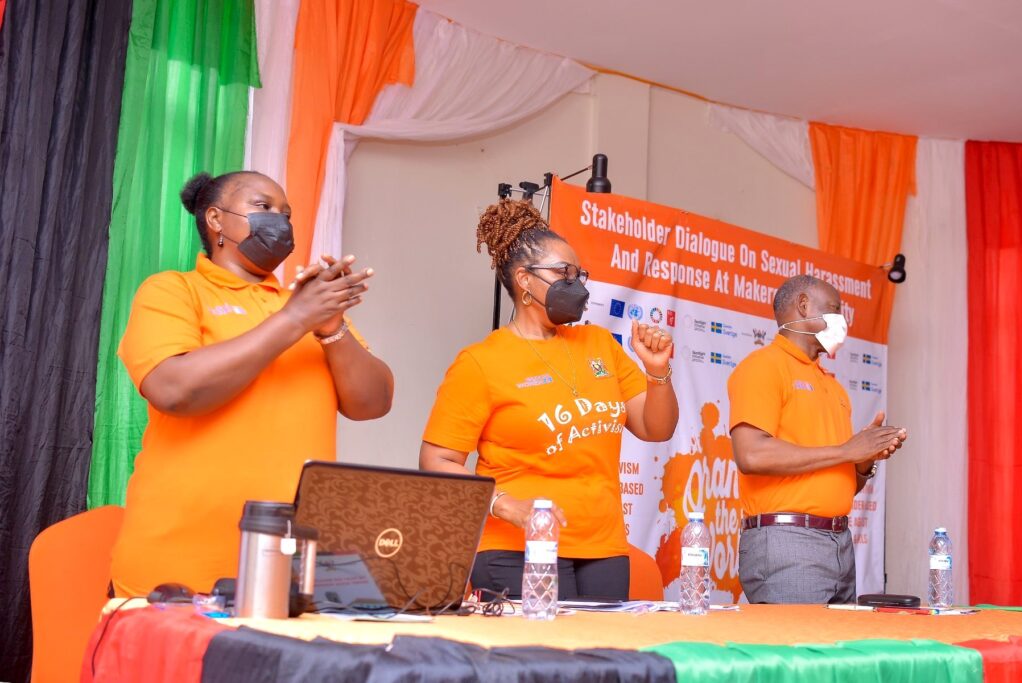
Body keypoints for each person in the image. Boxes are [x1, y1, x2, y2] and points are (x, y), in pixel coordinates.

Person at [110, 171, 394, 597]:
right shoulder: (173, 290)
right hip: (179, 565)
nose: (279, 220)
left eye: (287, 214)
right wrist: (295, 319)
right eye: (263, 207)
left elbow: (373, 403)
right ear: (215, 219)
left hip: (288, 566)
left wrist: (332, 327)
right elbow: (173, 389)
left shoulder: (303, 306)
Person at [419, 198, 679, 601]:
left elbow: (656, 427)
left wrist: (658, 372)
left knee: (598, 663)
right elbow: (437, 462)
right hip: (515, 547)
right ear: (523, 280)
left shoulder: (599, 345)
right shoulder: (481, 362)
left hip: (603, 547)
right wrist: (509, 507)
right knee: (532, 663)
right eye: (563, 273)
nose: (576, 285)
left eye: (579, 275)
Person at [728, 274, 907, 604]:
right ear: (803, 305)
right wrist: (845, 450)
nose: (842, 321)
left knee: (834, 654)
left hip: (839, 541)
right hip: (788, 541)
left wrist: (864, 458)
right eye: (835, 309)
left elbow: (838, 479)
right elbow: (750, 455)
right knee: (798, 653)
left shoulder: (833, 386)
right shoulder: (763, 367)